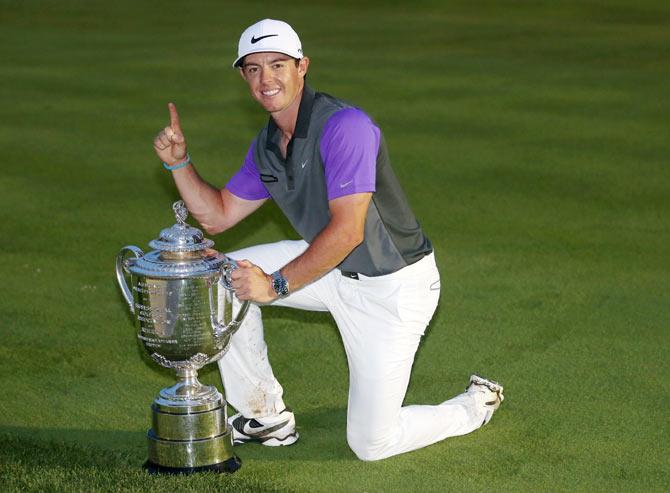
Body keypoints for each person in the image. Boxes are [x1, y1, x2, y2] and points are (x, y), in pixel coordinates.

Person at [152, 18, 504, 461]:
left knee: (372, 443)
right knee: (222, 277)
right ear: (243, 76)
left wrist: (276, 284)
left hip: (393, 290)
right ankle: (264, 418)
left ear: (303, 67)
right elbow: (218, 216)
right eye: (254, 68)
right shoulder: (267, 145)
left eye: (278, 64)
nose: (267, 79)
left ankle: (471, 408)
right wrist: (179, 164)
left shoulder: (345, 127)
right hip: (332, 268)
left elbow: (348, 230)